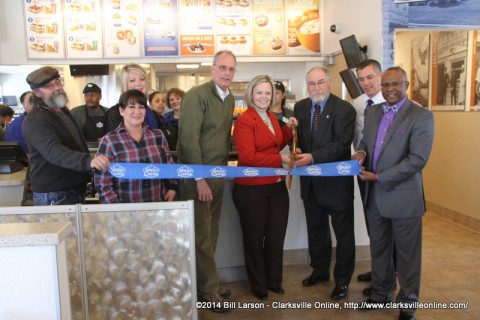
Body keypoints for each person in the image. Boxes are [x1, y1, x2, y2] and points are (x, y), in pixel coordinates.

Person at [352, 67, 434, 320]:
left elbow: (417, 160)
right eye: (386, 85)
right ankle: (380, 293)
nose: (389, 90)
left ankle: (408, 303)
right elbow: (366, 141)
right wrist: (362, 153)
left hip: (403, 197)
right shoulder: (373, 111)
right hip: (374, 196)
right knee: (379, 248)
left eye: (395, 84)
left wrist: (379, 177)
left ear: (406, 85)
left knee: (407, 255)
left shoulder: (421, 116)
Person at [177, 50, 237, 313]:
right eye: (222, 67)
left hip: (219, 175)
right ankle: (209, 292)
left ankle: (206, 285)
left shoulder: (230, 97)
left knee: (212, 233)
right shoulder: (196, 96)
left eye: (231, 69)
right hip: (197, 178)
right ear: (212, 69)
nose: (227, 73)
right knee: (201, 236)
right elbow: (189, 140)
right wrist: (199, 178)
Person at [293, 66, 356, 301]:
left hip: (336, 185)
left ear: (329, 83)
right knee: (316, 231)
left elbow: (341, 145)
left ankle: (342, 281)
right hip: (310, 184)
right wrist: (297, 149)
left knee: (344, 236)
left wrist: (312, 157)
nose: (316, 88)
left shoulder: (344, 109)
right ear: (306, 85)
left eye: (321, 82)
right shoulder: (300, 107)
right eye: (311, 84)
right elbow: (300, 139)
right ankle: (319, 271)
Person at [232, 75, 297, 301]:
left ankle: (274, 281)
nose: (263, 97)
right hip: (251, 189)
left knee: (275, 236)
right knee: (254, 238)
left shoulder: (271, 116)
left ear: (274, 96)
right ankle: (259, 285)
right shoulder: (244, 120)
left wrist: (288, 130)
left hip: (275, 185)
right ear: (251, 94)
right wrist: (281, 160)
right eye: (259, 92)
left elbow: (274, 144)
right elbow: (248, 156)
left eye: (267, 93)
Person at [22, 66, 110, 205]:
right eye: (49, 86)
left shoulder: (62, 111)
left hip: (72, 190)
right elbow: (53, 151)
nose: (57, 87)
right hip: (54, 193)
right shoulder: (36, 119)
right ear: (37, 93)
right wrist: (88, 161)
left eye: (57, 82)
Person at [94, 89, 177, 203]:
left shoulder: (158, 135)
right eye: (132, 106)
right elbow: (102, 183)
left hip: (158, 206)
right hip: (126, 211)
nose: (137, 111)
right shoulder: (109, 141)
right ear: (121, 111)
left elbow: (169, 164)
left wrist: (172, 187)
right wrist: (116, 209)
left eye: (141, 107)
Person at [352, 59, 385, 290]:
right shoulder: (359, 103)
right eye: (361, 79)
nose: (365, 83)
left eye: (370, 77)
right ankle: (379, 270)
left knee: (386, 226)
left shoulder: (395, 102)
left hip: (385, 174)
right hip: (363, 170)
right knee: (372, 224)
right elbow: (359, 138)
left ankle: (386, 276)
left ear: (380, 76)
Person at [104, 63, 162, 134]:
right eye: (132, 80)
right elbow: (112, 141)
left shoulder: (154, 115)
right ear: (124, 84)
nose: (138, 83)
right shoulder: (114, 113)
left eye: (142, 79)